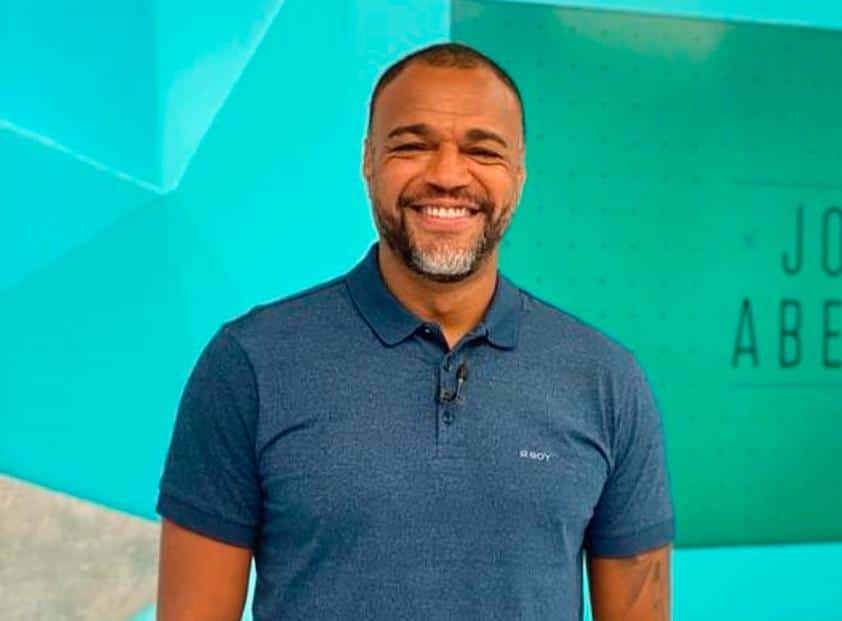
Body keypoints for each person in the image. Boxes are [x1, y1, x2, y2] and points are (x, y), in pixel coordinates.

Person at [155, 42, 675, 620]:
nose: (447, 175)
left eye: (482, 150)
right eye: (412, 145)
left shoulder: (606, 381)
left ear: (520, 173)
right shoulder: (249, 365)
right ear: (368, 161)